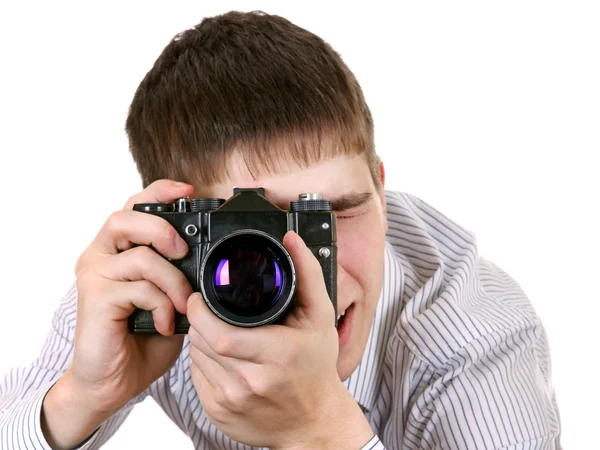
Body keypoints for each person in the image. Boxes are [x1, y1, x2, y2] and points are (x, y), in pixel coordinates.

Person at [0, 10, 562, 450]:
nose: (310, 272)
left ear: (381, 190)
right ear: (178, 229)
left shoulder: (477, 339)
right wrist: (80, 397)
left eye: (331, 213)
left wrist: (320, 430)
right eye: (249, 237)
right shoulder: (153, 278)